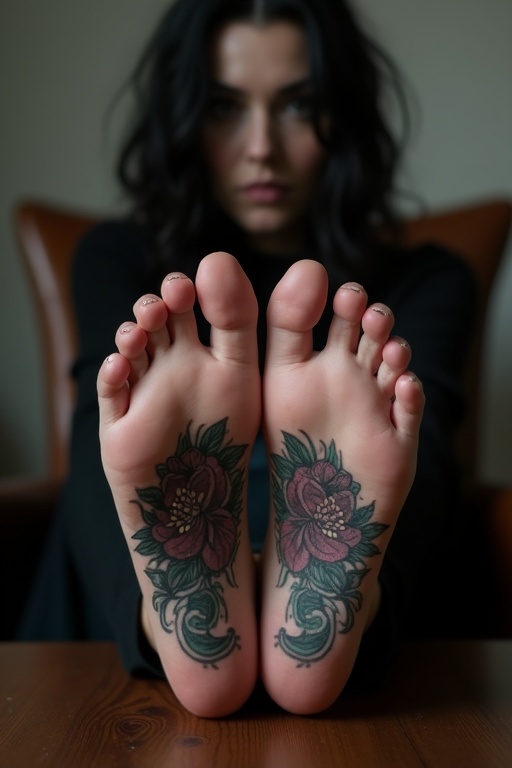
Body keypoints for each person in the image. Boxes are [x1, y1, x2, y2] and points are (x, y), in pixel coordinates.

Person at [19, 0, 476, 717]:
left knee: (414, 448)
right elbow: (91, 453)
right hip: (150, 580)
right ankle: (165, 617)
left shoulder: (426, 279)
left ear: (342, 118)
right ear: (186, 119)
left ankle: (342, 603)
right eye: (226, 108)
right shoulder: (121, 259)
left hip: (332, 562)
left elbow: (431, 459)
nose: (261, 146)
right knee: (108, 453)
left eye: (298, 107)